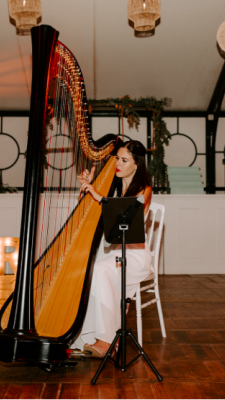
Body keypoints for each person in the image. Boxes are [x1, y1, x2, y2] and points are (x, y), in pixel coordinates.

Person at [74, 140, 152, 358]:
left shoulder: (145, 190)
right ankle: (90, 334)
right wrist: (89, 186)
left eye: (124, 160)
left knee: (100, 269)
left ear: (136, 165)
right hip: (116, 252)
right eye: (117, 158)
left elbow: (123, 213)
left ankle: (106, 340)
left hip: (135, 256)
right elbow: (101, 213)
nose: (118, 163)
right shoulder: (115, 185)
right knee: (91, 270)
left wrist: (97, 194)